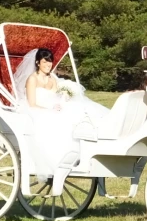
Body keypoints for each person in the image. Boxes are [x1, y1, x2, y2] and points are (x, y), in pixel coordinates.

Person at [13, 48, 108, 178]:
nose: (48, 65)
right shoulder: (32, 79)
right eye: (45, 62)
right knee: (57, 121)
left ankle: (86, 152)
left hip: (55, 108)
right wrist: (49, 110)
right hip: (37, 110)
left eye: (50, 62)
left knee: (81, 111)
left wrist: (64, 98)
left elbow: (57, 95)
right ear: (37, 63)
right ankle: (62, 158)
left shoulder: (52, 78)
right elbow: (32, 104)